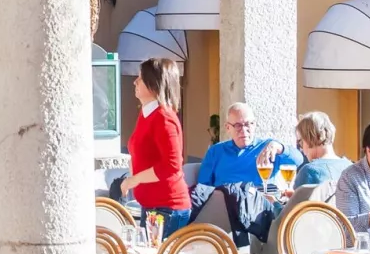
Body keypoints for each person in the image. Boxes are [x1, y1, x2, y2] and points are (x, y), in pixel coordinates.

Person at [120, 58, 192, 239]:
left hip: (167, 207)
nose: (135, 82)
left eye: (140, 78)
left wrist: (134, 180)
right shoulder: (147, 114)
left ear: (153, 84)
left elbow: (171, 166)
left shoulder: (163, 118)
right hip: (153, 205)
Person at [196, 102, 303, 188]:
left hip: (260, 209)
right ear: (228, 128)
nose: (244, 130)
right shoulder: (216, 151)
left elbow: (298, 160)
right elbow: (203, 188)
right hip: (225, 209)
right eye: (237, 125)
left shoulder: (268, 148)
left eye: (248, 124)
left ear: (254, 124)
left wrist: (280, 147)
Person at [292, 112, 351, 195]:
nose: (301, 149)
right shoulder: (350, 167)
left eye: (300, 142)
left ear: (309, 138)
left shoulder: (309, 171)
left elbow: (296, 208)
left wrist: (275, 203)